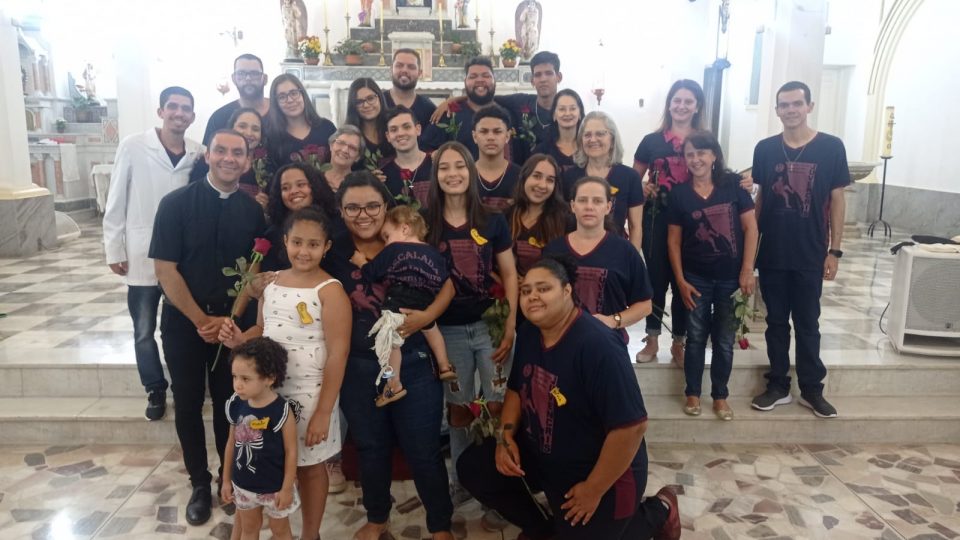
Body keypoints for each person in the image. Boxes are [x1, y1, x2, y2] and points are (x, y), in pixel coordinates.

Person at [456, 256, 681, 540]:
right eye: (526, 291)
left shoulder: (598, 346)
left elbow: (632, 427)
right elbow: (515, 388)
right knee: (475, 466)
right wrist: (505, 437)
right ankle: (542, 529)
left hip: (604, 472)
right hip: (547, 457)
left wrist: (593, 490)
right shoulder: (528, 334)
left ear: (567, 291)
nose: (532, 296)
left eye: (543, 288)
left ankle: (660, 510)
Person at [323, 171, 455, 540]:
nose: (363, 214)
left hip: (413, 362)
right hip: (359, 366)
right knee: (370, 446)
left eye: (372, 206)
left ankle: (440, 525)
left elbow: (446, 283)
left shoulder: (406, 240)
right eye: (352, 207)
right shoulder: (333, 251)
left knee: (424, 449)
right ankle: (377, 517)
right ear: (341, 209)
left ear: (386, 206)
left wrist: (429, 316)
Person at [150, 129, 267, 525]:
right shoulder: (175, 204)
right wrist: (201, 320)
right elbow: (165, 269)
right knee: (186, 402)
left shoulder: (253, 212)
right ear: (208, 155)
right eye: (221, 150)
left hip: (232, 323)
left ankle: (227, 479)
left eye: (238, 153)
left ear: (248, 162)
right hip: (185, 322)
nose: (229, 158)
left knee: (229, 404)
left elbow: (254, 274)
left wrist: (231, 320)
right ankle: (199, 482)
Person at [220, 208, 351, 540]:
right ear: (284, 242)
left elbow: (338, 353)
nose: (303, 251)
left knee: (309, 466)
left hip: (310, 395)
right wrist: (240, 339)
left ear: (327, 247)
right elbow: (262, 330)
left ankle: (310, 534)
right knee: (271, 457)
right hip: (267, 393)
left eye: (313, 244)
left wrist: (323, 411)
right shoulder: (272, 283)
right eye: (296, 242)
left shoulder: (330, 290)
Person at [423, 141, 518, 502]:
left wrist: (509, 322)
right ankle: (463, 477)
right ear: (436, 176)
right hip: (447, 331)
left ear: (471, 171)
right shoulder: (426, 220)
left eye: (459, 166)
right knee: (460, 407)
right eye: (444, 168)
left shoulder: (492, 219)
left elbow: (509, 274)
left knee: (497, 403)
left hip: (489, 326)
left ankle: (498, 476)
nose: (453, 174)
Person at [750, 81, 850, 419]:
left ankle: (811, 389)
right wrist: (751, 251)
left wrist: (834, 251)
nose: (790, 110)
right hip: (774, 252)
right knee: (776, 322)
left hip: (810, 251)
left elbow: (837, 199)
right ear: (777, 110)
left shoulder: (831, 147)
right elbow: (761, 199)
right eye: (784, 105)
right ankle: (778, 385)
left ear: (809, 105)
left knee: (808, 322)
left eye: (796, 104)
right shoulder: (765, 149)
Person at [103, 86, 201, 422]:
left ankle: (186, 385)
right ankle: (155, 387)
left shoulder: (198, 153)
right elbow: (116, 199)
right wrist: (114, 247)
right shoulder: (133, 145)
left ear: (192, 116)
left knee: (179, 325)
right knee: (144, 328)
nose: (179, 113)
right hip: (142, 253)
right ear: (161, 111)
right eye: (173, 107)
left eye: (186, 109)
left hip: (180, 259)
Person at [666, 131, 758, 421]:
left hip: (731, 279)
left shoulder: (733, 186)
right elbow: (673, 242)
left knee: (723, 339)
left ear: (714, 155)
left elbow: (750, 230)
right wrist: (680, 281)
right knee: (695, 338)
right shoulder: (679, 194)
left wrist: (747, 270)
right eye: (690, 154)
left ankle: (720, 395)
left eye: (702, 153)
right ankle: (692, 392)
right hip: (696, 279)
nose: (696, 159)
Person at [632, 80, 705, 366]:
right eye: (677, 100)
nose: (682, 106)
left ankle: (679, 342)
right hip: (656, 221)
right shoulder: (652, 141)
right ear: (669, 104)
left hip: (693, 224)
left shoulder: (704, 140)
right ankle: (651, 340)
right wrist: (643, 189)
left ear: (697, 106)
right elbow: (632, 181)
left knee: (684, 282)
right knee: (656, 281)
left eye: (688, 101)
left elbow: (716, 176)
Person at [359, 206, 459, 406]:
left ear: (405, 229)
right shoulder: (434, 253)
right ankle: (445, 366)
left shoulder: (394, 250)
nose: (386, 243)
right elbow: (444, 279)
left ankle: (393, 384)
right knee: (432, 330)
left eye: (387, 236)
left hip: (399, 302)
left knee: (392, 342)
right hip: (426, 302)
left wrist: (361, 262)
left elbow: (371, 272)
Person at [544, 176, 652, 343]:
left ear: (608, 207)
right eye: (582, 200)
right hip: (561, 343)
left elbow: (645, 305)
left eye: (597, 201)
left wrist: (612, 321)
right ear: (573, 206)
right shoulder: (554, 250)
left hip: (609, 345)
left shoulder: (625, 251)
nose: (589, 206)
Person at [221, 337, 300, 540]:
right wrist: (226, 480)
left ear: (269, 378)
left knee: (280, 531)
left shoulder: (281, 410)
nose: (238, 385)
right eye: (234, 377)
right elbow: (232, 443)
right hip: (243, 485)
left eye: (246, 379)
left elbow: (292, 451)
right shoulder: (235, 404)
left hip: (275, 488)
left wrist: (286, 488)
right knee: (249, 530)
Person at [433, 51, 563, 165]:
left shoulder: (568, 111)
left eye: (548, 73)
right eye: (538, 75)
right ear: (532, 80)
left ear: (559, 77)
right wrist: (452, 100)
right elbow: (483, 96)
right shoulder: (521, 102)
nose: (543, 79)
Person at [562, 111, 644, 252]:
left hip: (616, 252)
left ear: (612, 140)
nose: (593, 139)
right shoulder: (569, 176)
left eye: (600, 134)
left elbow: (635, 227)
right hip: (576, 253)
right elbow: (563, 222)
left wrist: (633, 262)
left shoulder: (630, 177)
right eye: (587, 135)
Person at [261, 163, 339, 272]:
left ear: (315, 186)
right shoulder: (273, 234)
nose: (293, 191)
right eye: (285, 188)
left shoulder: (338, 225)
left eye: (301, 185)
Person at [505, 153, 571, 278]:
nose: (542, 185)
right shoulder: (505, 216)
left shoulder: (566, 221)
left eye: (550, 180)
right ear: (524, 177)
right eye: (536, 176)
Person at [421, 57, 497, 157]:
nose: (479, 80)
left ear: (495, 80)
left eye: (486, 76)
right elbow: (424, 148)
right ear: (465, 81)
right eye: (473, 76)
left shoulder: (506, 112)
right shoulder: (448, 113)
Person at [192, 107, 270, 205]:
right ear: (231, 128)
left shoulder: (268, 166)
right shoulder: (210, 160)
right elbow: (193, 195)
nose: (249, 133)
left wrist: (264, 204)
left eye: (255, 129)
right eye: (242, 126)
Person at [265, 74, 337, 172]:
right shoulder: (272, 137)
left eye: (294, 93)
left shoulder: (327, 128)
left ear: (303, 94)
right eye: (282, 97)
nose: (290, 100)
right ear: (276, 103)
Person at [203, 54, 270, 147]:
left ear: (265, 79)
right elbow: (209, 157)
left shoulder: (282, 111)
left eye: (254, 73)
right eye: (241, 73)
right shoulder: (219, 117)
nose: (248, 78)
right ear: (233, 79)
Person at [381, 106, 433, 207]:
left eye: (406, 127)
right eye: (394, 129)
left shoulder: (436, 164)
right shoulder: (383, 175)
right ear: (388, 136)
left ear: (418, 129)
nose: (400, 133)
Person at [472, 104, 520, 211]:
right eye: (484, 131)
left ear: (507, 136)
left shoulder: (521, 177)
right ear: (474, 136)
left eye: (497, 132)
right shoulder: (464, 175)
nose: (490, 137)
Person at [345, 78, 394, 170]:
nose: (366, 105)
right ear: (353, 106)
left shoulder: (394, 126)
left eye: (370, 98)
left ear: (379, 97)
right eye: (359, 102)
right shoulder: (348, 136)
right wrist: (367, 178)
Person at [533, 88, 583, 174]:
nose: (567, 113)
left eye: (573, 108)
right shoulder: (542, 150)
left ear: (580, 114)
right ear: (554, 115)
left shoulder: (588, 148)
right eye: (562, 109)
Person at [383, 48, 438, 127]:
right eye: (399, 65)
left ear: (419, 73)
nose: (404, 70)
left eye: (411, 67)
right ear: (391, 70)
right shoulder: (378, 103)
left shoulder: (428, 108)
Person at [323, 125, 366, 192]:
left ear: (358, 157)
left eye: (352, 148)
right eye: (341, 143)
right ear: (331, 145)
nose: (344, 150)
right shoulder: (314, 179)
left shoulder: (360, 187)